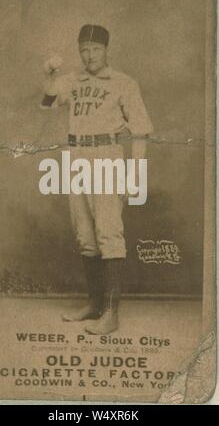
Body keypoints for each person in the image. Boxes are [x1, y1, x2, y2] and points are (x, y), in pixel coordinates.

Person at [40, 24, 153, 335]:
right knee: (85, 237)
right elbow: (48, 102)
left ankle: (110, 314)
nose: (89, 55)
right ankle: (94, 303)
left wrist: (135, 175)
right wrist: (50, 74)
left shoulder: (124, 83)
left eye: (95, 49)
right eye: (84, 50)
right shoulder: (73, 81)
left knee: (108, 234)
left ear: (107, 50)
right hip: (77, 158)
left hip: (107, 158)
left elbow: (141, 130)